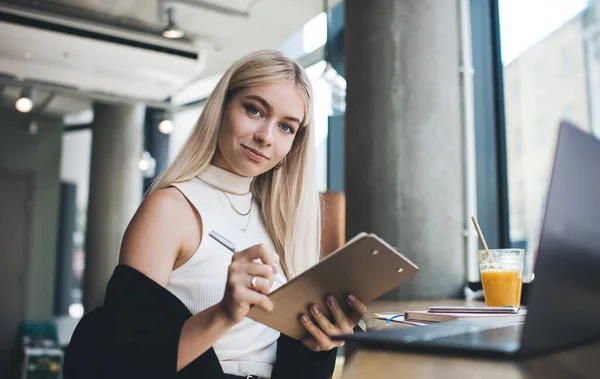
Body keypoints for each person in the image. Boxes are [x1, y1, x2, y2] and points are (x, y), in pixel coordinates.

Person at [63, 50, 366, 379]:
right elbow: (125, 360)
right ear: (222, 108)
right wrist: (224, 312)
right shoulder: (170, 209)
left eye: (285, 127)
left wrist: (317, 343)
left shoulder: (280, 224)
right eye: (254, 110)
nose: (265, 136)